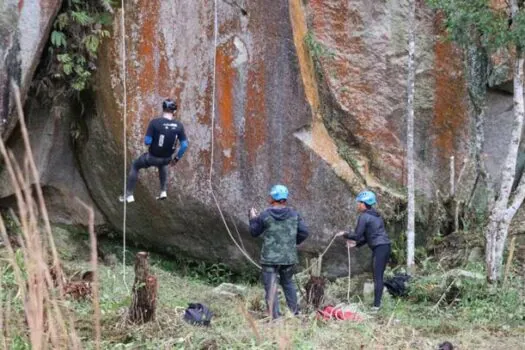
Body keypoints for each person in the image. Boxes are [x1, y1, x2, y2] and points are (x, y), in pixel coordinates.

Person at [249, 185, 309, 319]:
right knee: (288, 283)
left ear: (273, 198)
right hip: (288, 257)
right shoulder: (294, 214)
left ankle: (275, 317)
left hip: (270, 258)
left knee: (271, 286)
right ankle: (295, 313)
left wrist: (253, 218)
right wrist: (292, 243)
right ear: (284, 198)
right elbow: (304, 232)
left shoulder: (265, 215)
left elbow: (254, 232)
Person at [119, 99, 188, 203]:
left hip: (151, 158)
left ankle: (128, 195)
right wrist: (176, 159)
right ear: (174, 112)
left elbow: (147, 141)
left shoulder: (155, 123)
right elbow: (184, 145)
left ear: (163, 109)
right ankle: (163, 191)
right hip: (167, 159)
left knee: (135, 165)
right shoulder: (179, 126)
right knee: (163, 165)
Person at [336, 190, 391, 311]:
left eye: (359, 203)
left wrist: (344, 234)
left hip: (379, 248)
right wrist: (355, 245)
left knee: (378, 277)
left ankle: (376, 306)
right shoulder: (376, 216)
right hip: (385, 247)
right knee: (379, 276)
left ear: (363, 203)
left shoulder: (364, 216)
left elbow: (357, 235)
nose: (358, 205)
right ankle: (377, 304)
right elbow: (368, 236)